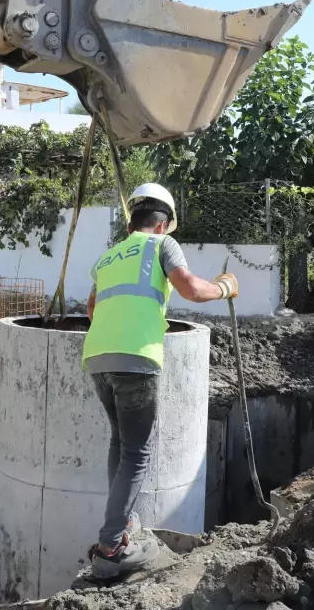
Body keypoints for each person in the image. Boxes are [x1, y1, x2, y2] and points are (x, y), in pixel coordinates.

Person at [82, 183, 238, 578]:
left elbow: (92, 307)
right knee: (138, 452)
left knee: (121, 442)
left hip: (98, 358)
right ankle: (111, 548)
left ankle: (122, 525)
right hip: (136, 358)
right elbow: (190, 288)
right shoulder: (160, 245)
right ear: (163, 224)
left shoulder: (109, 255)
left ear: (132, 218)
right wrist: (224, 286)